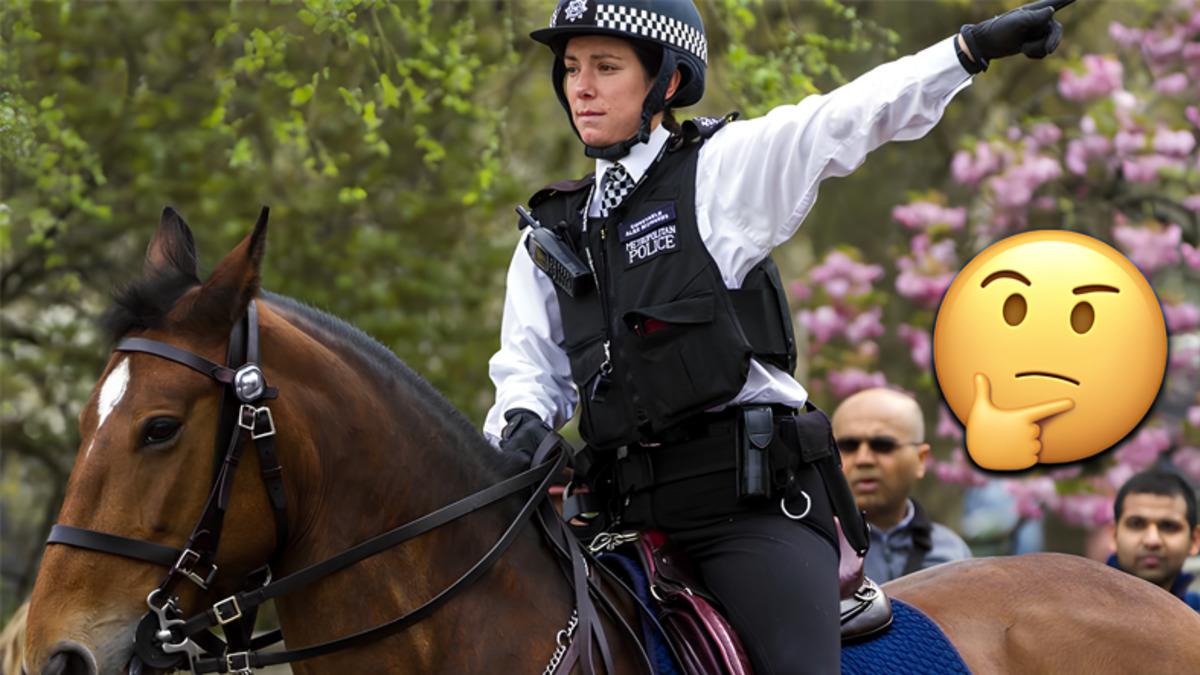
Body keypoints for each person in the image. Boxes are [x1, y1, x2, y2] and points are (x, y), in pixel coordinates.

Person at [484, 0, 1073, 671]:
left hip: (745, 514)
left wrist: (965, 52)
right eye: (571, 68)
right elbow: (525, 366)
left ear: (667, 82)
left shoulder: (720, 172)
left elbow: (841, 120)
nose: (581, 86)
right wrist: (523, 420)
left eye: (606, 66)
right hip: (615, 518)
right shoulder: (553, 232)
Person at [831, 388, 973, 583]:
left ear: (921, 459)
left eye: (882, 446)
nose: (863, 459)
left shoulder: (951, 555)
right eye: (848, 446)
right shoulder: (814, 549)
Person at [1109, 468, 1200, 612]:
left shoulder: (1196, 616)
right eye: (1136, 524)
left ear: (1194, 540)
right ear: (1114, 535)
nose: (1152, 541)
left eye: (1169, 526)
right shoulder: (1076, 612)